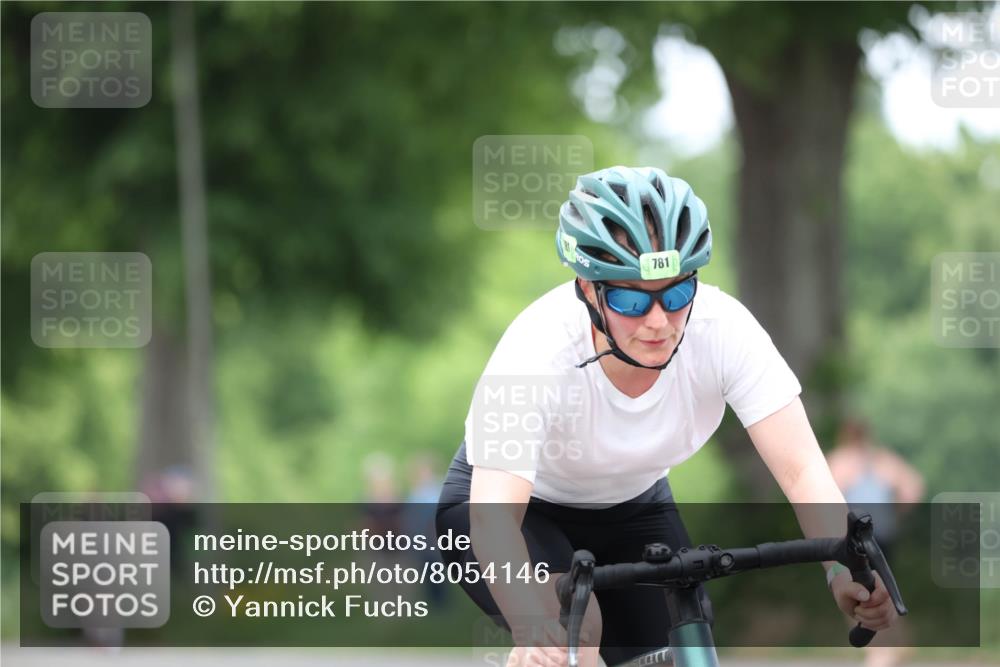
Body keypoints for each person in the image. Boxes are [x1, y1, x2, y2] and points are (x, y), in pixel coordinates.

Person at [436, 166, 899, 667]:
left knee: (687, 639)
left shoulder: (724, 331)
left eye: (676, 294)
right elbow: (493, 517)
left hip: (634, 506)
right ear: (588, 291)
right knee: (574, 626)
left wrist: (841, 570)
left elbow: (802, 470)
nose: (659, 321)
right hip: (515, 512)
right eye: (632, 299)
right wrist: (533, 624)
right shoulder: (534, 351)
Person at [828, 419, 924, 667]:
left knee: (857, 590)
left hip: (854, 536)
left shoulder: (841, 460)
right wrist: (896, 513)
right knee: (885, 587)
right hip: (883, 534)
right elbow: (913, 488)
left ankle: (876, 651)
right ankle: (893, 644)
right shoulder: (883, 460)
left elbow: (825, 497)